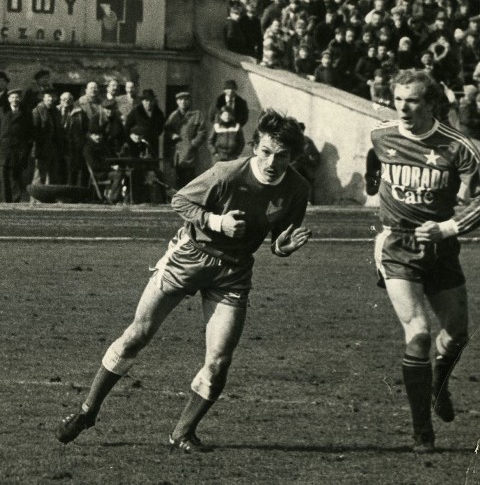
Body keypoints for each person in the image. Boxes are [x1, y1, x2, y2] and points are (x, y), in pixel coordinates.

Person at [56, 109, 312, 450]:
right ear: (255, 147)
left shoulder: (297, 188)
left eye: (281, 156)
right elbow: (180, 200)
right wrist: (217, 222)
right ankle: (88, 411)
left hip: (233, 271)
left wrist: (283, 247)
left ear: (292, 157)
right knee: (137, 335)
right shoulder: (227, 173)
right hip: (190, 257)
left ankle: (183, 433)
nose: (271, 162)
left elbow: (279, 239)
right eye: (265, 151)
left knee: (219, 363)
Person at [368, 69, 480, 453]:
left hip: (441, 250)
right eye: (399, 99)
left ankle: (440, 380)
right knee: (419, 333)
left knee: (456, 333)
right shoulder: (380, 135)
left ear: (430, 103)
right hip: (397, 248)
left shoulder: (456, 145)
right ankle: (422, 433)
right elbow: (373, 171)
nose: (404, 108)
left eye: (412, 101)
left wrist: (447, 227)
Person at [0, 89, 33, 202]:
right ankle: (6, 200)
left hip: (18, 149)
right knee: (3, 175)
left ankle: (16, 199)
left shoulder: (26, 112)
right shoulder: (1, 111)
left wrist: (25, 146)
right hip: (3, 148)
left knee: (16, 175)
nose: (15, 100)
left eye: (17, 97)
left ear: (20, 99)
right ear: (9, 99)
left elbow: (30, 131)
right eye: (12, 97)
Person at [164, 92, 207, 189]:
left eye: (186, 100)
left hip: (190, 153)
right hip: (178, 153)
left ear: (189, 101)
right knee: (179, 178)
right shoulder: (173, 116)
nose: (183, 102)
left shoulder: (196, 115)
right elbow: (166, 131)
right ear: (177, 102)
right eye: (180, 100)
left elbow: (203, 132)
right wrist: (172, 135)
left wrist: (193, 144)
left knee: (190, 179)